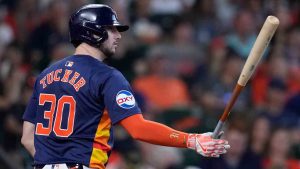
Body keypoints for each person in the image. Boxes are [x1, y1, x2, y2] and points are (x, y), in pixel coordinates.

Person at [21, 4, 230, 169]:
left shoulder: (46, 75)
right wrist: (192, 140)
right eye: (111, 30)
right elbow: (138, 129)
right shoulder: (107, 76)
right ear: (93, 33)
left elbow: (27, 138)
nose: (118, 36)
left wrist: (52, 163)